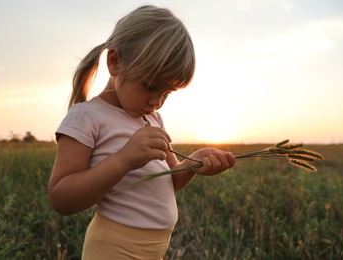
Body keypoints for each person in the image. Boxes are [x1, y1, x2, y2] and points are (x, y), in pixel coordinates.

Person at [48, 5, 235, 259]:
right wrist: (124, 159)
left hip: (154, 249)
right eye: (150, 86)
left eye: (167, 93)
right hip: (112, 247)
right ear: (115, 62)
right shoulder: (87, 117)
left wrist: (191, 165)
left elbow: (170, 180)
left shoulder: (153, 119)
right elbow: (61, 198)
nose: (156, 102)